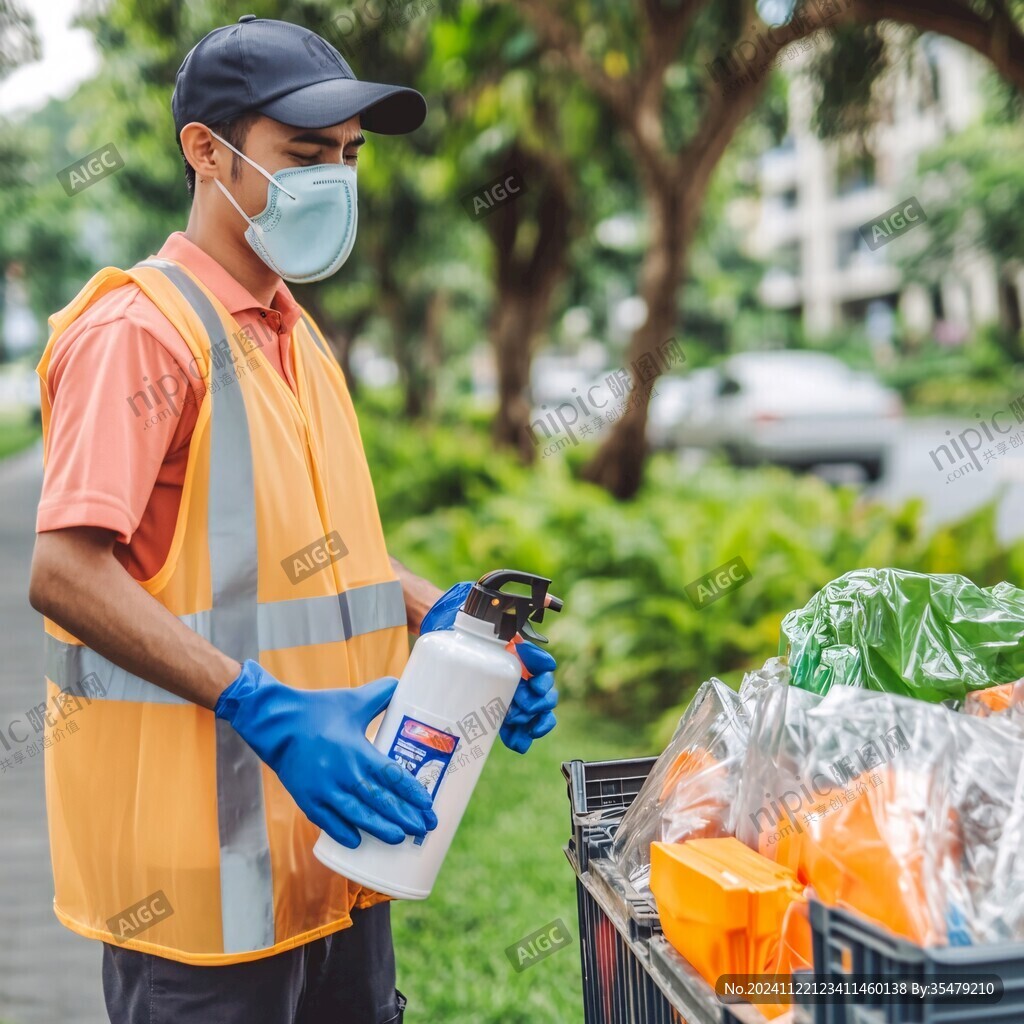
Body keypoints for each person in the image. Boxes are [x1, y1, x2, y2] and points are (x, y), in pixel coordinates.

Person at [28, 16, 558, 1024]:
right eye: (306, 154)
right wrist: (268, 710)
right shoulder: (141, 332)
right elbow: (64, 572)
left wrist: (444, 618)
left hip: (333, 847)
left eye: (350, 157)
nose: (337, 180)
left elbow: (313, 558)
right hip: (200, 888)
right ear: (205, 150)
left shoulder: (293, 333)